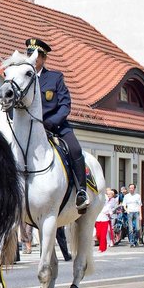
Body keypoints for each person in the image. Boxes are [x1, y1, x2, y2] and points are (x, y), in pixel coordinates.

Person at [25, 38, 89, 209]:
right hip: (29, 129)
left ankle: (81, 191)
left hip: (55, 126)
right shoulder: (23, 77)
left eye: (36, 55)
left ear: (43, 59)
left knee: (75, 149)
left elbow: (64, 105)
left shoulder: (55, 78)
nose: (32, 57)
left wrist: (50, 123)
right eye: (29, 53)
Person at [96, 188, 117, 253]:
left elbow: (111, 211)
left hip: (105, 220)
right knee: (98, 235)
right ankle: (104, 245)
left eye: (109, 194)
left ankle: (102, 248)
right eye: (107, 194)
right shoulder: (100, 203)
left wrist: (109, 213)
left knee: (103, 234)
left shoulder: (110, 203)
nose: (108, 196)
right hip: (98, 219)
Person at [122, 183, 142, 247]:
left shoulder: (138, 196)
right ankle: (131, 242)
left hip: (136, 212)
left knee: (137, 228)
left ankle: (136, 240)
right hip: (129, 212)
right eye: (130, 188)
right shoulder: (126, 196)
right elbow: (124, 205)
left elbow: (139, 206)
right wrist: (126, 210)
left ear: (134, 189)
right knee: (130, 228)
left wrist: (141, 215)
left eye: (132, 188)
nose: (131, 189)